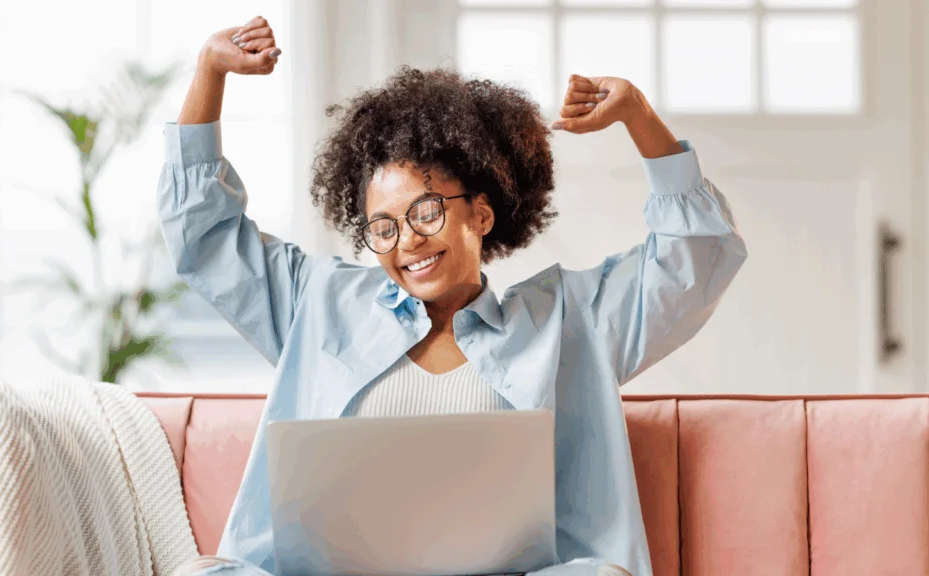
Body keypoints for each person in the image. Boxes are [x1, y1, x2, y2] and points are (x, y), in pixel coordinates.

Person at [160, 15, 746, 576]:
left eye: (426, 210)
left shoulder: (571, 320)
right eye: (383, 226)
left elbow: (695, 257)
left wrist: (638, 117)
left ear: (483, 212)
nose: (406, 240)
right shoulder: (317, 302)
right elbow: (203, 236)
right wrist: (210, 72)